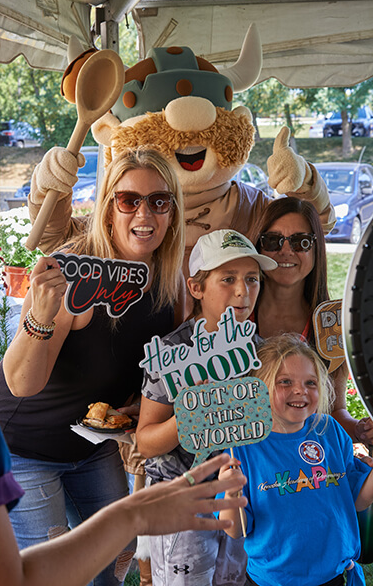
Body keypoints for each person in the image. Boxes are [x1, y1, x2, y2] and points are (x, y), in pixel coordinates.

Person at [0, 147, 186, 586]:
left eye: (159, 200)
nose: (144, 213)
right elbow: (21, 383)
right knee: (54, 572)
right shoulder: (77, 271)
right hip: (21, 444)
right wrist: (38, 313)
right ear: (108, 206)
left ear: (173, 211)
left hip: (88, 445)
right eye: (128, 199)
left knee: (116, 560)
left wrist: (133, 409)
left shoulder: (172, 284)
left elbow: (145, 368)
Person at [0, 372, 248, 586]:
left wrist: (133, 516)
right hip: (25, 441)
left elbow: (8, 576)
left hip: (90, 446)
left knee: (119, 556)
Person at [136, 229, 277, 586]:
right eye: (227, 279)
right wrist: (191, 412)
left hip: (244, 499)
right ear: (197, 288)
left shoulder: (262, 353)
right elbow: (146, 442)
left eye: (252, 279)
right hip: (183, 500)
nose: (243, 291)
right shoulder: (171, 355)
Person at [218, 333, 373, 586]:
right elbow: (236, 529)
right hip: (274, 580)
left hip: (334, 575)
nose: (300, 390)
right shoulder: (242, 447)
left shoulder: (329, 430)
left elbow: (356, 499)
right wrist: (231, 493)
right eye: (285, 382)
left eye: (310, 383)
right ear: (260, 387)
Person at [251, 196, 373, 445]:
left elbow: (334, 412)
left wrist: (359, 431)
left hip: (309, 469)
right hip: (246, 468)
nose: (286, 251)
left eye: (301, 242)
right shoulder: (233, 317)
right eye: (273, 240)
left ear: (316, 249)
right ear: (258, 246)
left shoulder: (333, 324)